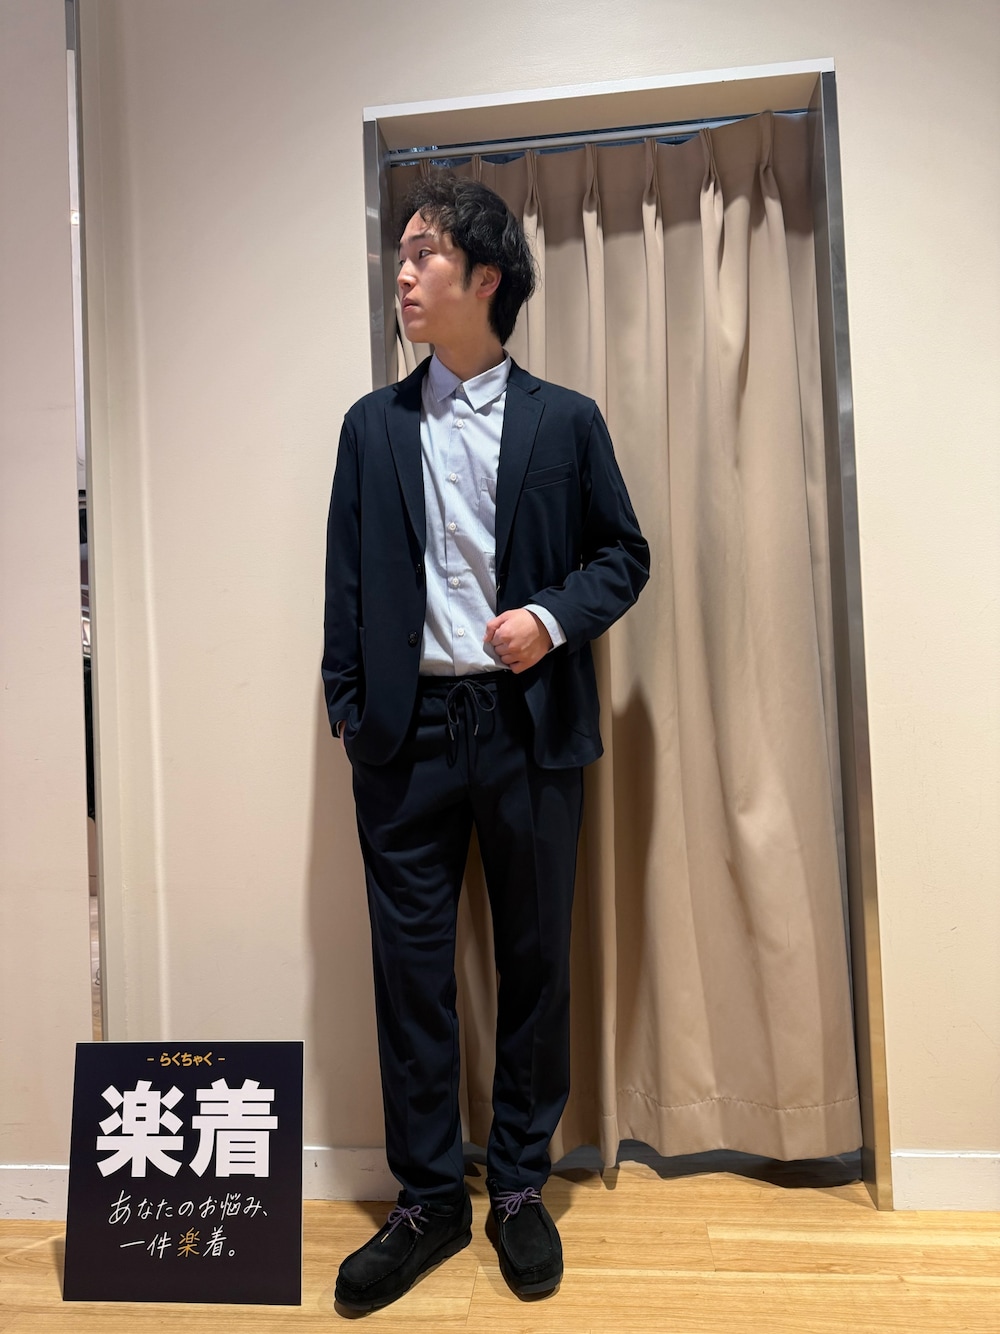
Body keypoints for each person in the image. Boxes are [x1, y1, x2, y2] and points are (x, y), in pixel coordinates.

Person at [323, 174, 649, 1313]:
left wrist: (548, 620)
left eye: (425, 253)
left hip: (526, 727)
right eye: (401, 254)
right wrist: (349, 707)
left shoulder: (566, 421)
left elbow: (624, 554)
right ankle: (428, 1199)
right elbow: (344, 580)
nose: (403, 272)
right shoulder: (371, 426)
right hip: (403, 737)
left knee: (536, 963)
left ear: (485, 277)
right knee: (410, 977)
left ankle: (516, 1183)